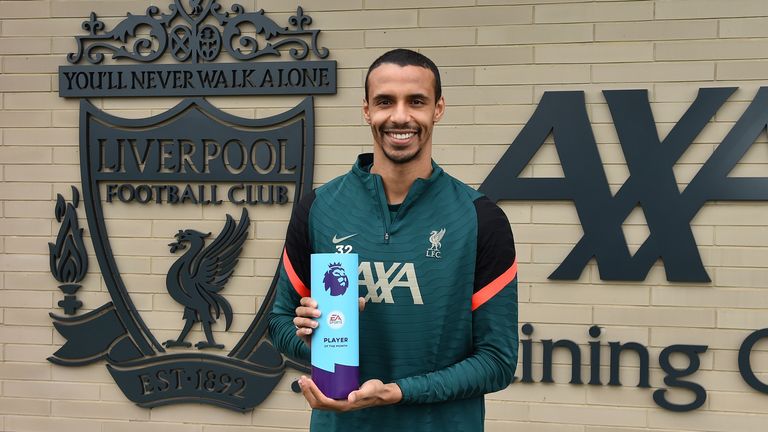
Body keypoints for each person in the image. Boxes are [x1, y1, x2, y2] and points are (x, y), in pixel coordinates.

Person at [268, 48, 518, 431]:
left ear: (438, 109)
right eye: (385, 101)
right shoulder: (319, 207)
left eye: (416, 101)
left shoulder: (480, 218)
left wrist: (398, 391)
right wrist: (316, 338)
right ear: (367, 110)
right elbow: (280, 321)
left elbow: (497, 362)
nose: (400, 116)